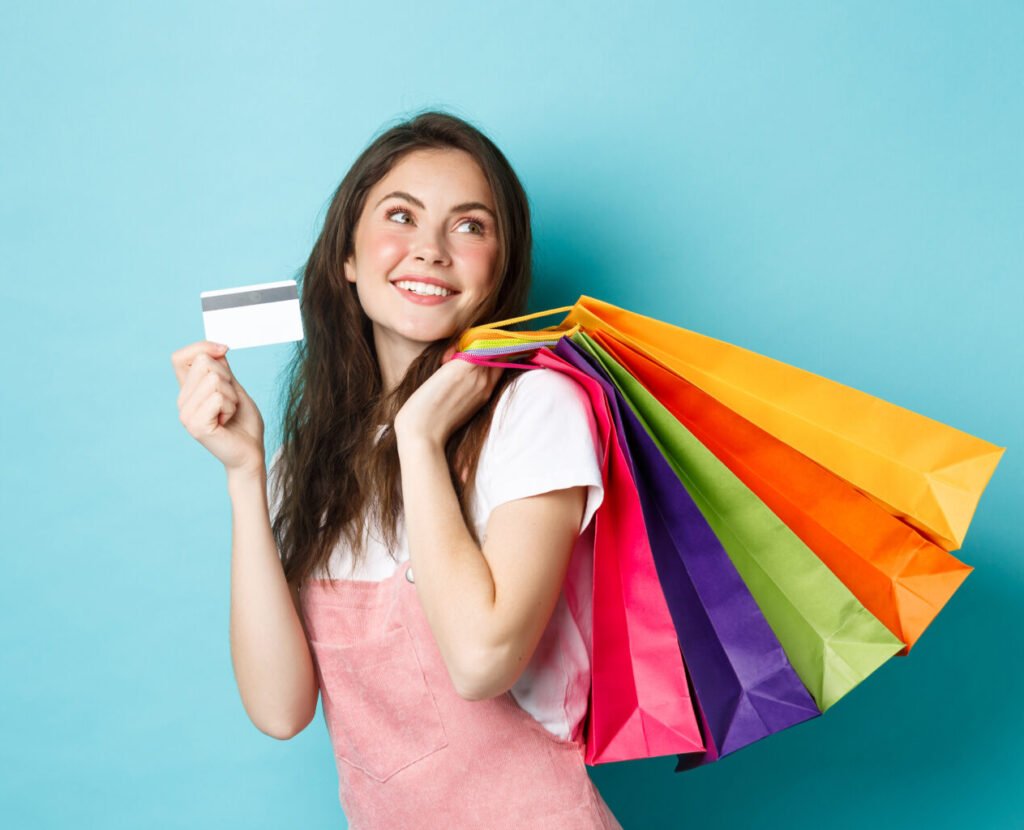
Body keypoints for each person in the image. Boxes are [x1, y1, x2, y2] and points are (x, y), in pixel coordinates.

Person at [171, 110, 623, 829]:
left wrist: (418, 438)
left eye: (470, 226)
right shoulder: (309, 466)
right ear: (347, 256)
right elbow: (278, 708)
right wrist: (246, 474)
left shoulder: (537, 409)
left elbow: (481, 663)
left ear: (501, 265)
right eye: (401, 216)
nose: (432, 250)